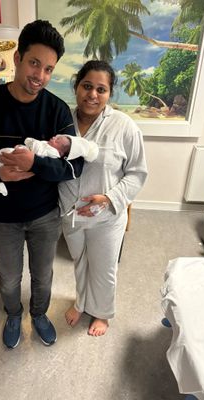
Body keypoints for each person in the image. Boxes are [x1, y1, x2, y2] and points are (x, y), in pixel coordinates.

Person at [0, 20, 84, 349]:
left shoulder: (56, 109)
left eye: (49, 69)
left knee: (43, 274)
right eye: (35, 63)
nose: (40, 75)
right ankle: (12, 313)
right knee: (9, 278)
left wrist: (34, 162)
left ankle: (38, 314)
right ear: (17, 58)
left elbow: (75, 164)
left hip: (44, 214)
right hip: (2, 215)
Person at [59, 60, 148, 337]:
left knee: (104, 267)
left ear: (109, 94)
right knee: (80, 261)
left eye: (101, 89)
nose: (92, 95)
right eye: (87, 86)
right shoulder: (62, 121)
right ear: (76, 86)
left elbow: (137, 173)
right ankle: (82, 303)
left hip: (106, 216)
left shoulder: (124, 126)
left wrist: (109, 199)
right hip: (70, 212)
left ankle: (102, 313)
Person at [0, 135, 98, 195]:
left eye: (57, 140)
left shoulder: (53, 153)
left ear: (60, 153)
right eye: (57, 137)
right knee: (7, 155)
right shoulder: (49, 145)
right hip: (23, 157)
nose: (54, 137)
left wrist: (31, 145)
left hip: (24, 163)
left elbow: (38, 151)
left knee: (7, 157)